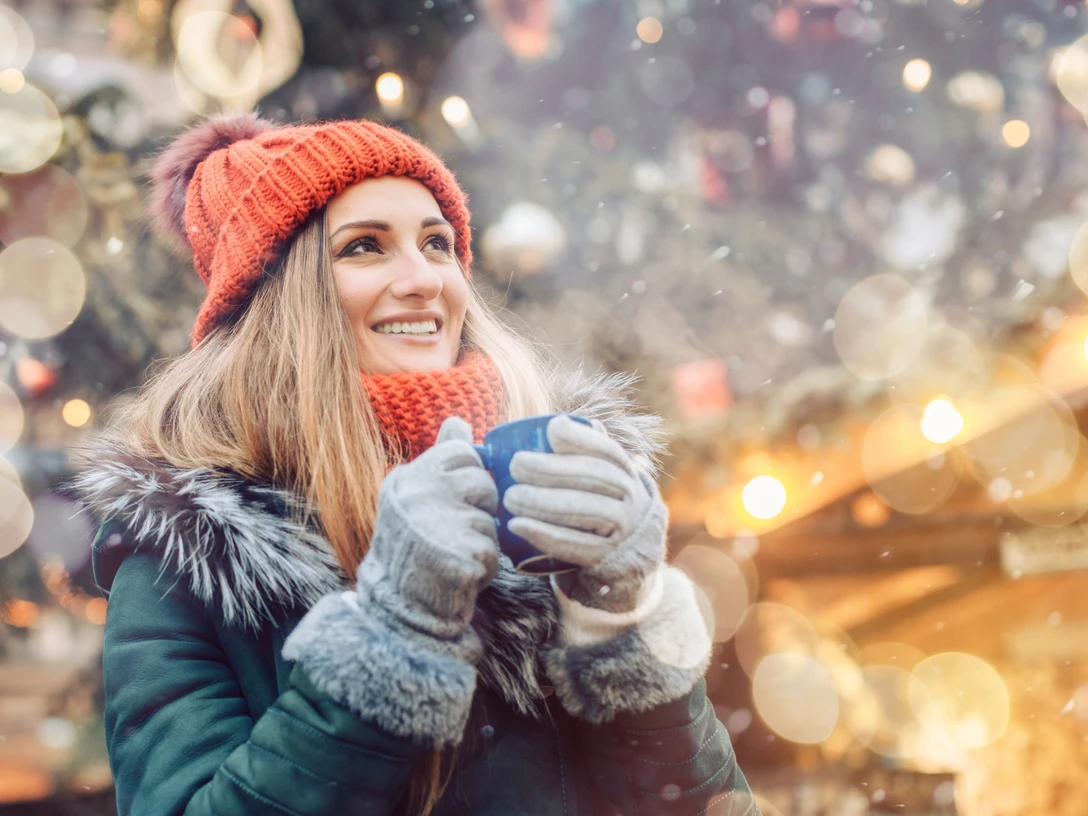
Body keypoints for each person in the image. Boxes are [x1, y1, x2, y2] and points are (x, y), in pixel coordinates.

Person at [73, 114, 759, 816]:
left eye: (438, 243)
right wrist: (390, 633)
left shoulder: (547, 490)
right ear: (281, 302)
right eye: (365, 247)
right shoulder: (186, 557)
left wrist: (625, 618)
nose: (425, 279)